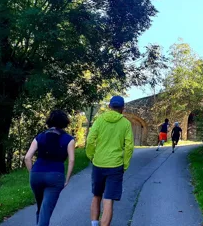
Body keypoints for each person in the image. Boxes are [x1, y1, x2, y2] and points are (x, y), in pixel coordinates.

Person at [86, 96, 134, 226]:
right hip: (115, 165)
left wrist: (91, 156)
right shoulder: (126, 124)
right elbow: (129, 146)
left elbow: (90, 140)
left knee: (96, 196)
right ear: (123, 108)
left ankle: (94, 224)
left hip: (98, 163)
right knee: (108, 200)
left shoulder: (99, 120)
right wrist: (125, 164)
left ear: (109, 106)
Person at [24, 110, 75, 226]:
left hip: (36, 174)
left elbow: (27, 158)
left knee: (40, 208)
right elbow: (71, 160)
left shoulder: (40, 136)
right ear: (64, 123)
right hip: (55, 176)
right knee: (45, 211)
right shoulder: (69, 139)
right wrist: (67, 179)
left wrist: (32, 173)